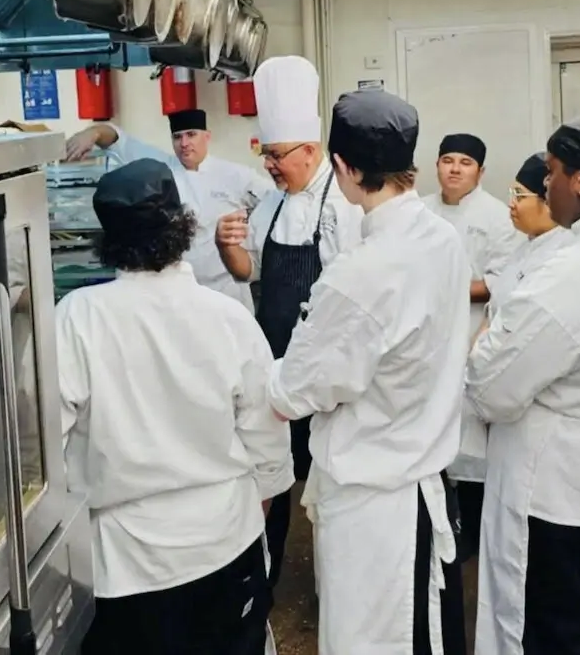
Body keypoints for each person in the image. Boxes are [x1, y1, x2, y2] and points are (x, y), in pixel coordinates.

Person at [56, 159, 294, 655]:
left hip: (127, 562)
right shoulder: (228, 317)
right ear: (183, 226)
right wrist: (247, 510)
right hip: (226, 541)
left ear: (108, 240)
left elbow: (46, 442)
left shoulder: (77, 319)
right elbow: (267, 443)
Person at [267, 89, 469, 655]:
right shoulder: (441, 238)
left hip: (375, 506)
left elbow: (293, 391)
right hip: (420, 478)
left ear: (341, 167)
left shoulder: (362, 274)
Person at [467, 109, 580, 655]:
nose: (547, 186)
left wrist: (490, 336)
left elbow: (490, 387)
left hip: (562, 500)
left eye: (553, 172)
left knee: (561, 633)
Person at [215, 55, 363, 595]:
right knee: (270, 475)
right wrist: (226, 246)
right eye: (265, 156)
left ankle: (333, 584)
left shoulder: (343, 205)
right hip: (272, 363)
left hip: (322, 371)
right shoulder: (271, 204)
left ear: (309, 150)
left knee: (324, 481)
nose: (270, 167)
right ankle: (265, 579)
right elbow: (249, 271)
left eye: (277, 156)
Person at [423, 133, 523, 563]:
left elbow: (503, 282)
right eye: (447, 160)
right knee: (430, 441)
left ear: (481, 172)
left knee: (472, 447)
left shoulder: (500, 217)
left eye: (466, 162)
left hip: (473, 336)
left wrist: (447, 290)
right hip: (425, 340)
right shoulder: (421, 211)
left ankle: (473, 542)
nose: (455, 169)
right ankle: (436, 532)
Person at [64, 109, 272, 311]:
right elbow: (120, 142)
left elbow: (274, 202)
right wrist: (94, 132)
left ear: (207, 136)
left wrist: (252, 241)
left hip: (226, 292)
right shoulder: (162, 169)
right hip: (176, 294)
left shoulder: (235, 175)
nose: (184, 143)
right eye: (177, 137)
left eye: (191, 135)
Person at [483, 152, 574, 326]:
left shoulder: (561, 255)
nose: (512, 204)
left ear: (549, 201)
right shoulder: (526, 247)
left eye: (520, 196)